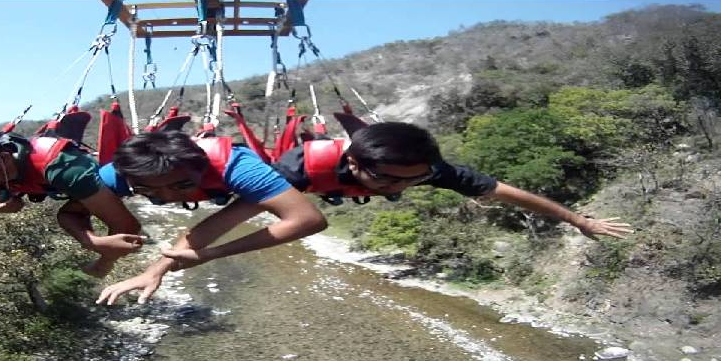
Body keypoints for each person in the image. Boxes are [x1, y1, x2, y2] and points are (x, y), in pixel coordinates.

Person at [271, 121, 633, 239]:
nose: (399, 187)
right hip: (319, 174)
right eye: (388, 181)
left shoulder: (429, 170)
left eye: (411, 181)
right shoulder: (299, 168)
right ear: (352, 164)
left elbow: (508, 193)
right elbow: (247, 204)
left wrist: (580, 220)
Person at [95, 130, 327, 305]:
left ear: (202, 169)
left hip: (245, 184)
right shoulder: (118, 175)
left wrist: (211, 254)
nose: (168, 196)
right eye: (150, 191)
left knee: (250, 203)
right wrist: (92, 242)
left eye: (182, 185)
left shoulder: (240, 168)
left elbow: (308, 219)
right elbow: (71, 212)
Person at [0, 129, 144, 278]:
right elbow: (1, 188)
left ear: (4, 159)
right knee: (66, 216)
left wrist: (98, 250)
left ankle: (102, 261)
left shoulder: (65, 171)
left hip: (103, 177)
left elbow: (129, 228)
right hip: (63, 187)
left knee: (70, 217)